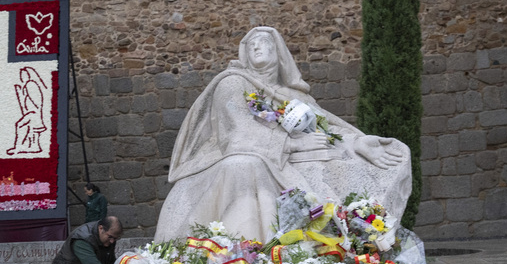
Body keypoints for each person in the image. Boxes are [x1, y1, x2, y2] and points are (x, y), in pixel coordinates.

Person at [154, 26, 410, 242]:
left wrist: (357, 141)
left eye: (264, 42)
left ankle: (355, 241)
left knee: (353, 165)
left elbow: (326, 125)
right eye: (251, 43)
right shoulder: (232, 83)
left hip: (289, 159)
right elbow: (236, 133)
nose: (257, 47)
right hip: (230, 158)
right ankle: (248, 247)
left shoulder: (296, 96)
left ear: (278, 53)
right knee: (245, 164)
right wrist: (293, 145)